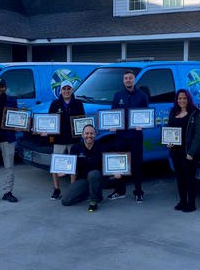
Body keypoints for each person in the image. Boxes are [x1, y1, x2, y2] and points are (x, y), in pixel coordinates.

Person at [107, 70, 149, 203]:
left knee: (137, 165)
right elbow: (113, 114)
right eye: (126, 78)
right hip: (120, 136)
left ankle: (138, 192)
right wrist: (111, 125)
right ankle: (120, 191)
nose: (128, 80)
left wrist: (143, 124)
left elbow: (145, 115)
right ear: (123, 80)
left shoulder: (142, 96)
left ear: (134, 80)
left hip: (135, 136)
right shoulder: (117, 95)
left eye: (130, 78)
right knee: (119, 165)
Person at [47, 80, 85, 200]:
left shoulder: (78, 103)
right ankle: (57, 189)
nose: (66, 91)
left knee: (73, 166)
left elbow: (82, 121)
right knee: (56, 166)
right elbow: (49, 122)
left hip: (74, 141)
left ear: (72, 90)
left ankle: (72, 189)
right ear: (61, 90)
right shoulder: (55, 104)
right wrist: (45, 131)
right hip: (59, 140)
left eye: (69, 89)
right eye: (64, 89)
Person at [166, 89, 200, 212]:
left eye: (184, 98)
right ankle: (182, 201)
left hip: (188, 152)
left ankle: (191, 204)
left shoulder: (195, 113)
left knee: (189, 178)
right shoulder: (173, 112)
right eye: (180, 98)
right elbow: (169, 129)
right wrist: (168, 142)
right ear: (177, 100)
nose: (182, 101)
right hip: (176, 151)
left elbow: (198, 135)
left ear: (188, 99)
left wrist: (191, 153)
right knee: (180, 178)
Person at [60, 124, 110, 212]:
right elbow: (72, 167)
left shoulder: (102, 147)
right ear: (82, 135)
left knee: (93, 174)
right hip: (83, 179)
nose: (89, 136)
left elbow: (109, 165)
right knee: (65, 201)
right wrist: (66, 172)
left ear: (95, 135)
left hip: (98, 178)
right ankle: (88, 193)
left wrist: (116, 173)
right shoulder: (76, 148)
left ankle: (94, 200)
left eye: (91, 133)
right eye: (86, 133)